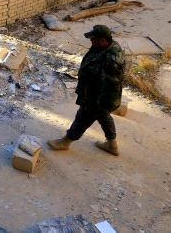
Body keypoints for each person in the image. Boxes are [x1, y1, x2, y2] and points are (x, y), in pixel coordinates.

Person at [48, 24, 125, 156]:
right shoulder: (104, 46)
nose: (91, 41)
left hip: (98, 97)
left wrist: (99, 104)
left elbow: (110, 85)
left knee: (83, 118)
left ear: (103, 40)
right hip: (93, 91)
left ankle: (66, 141)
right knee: (104, 117)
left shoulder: (111, 60)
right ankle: (112, 144)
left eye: (93, 39)